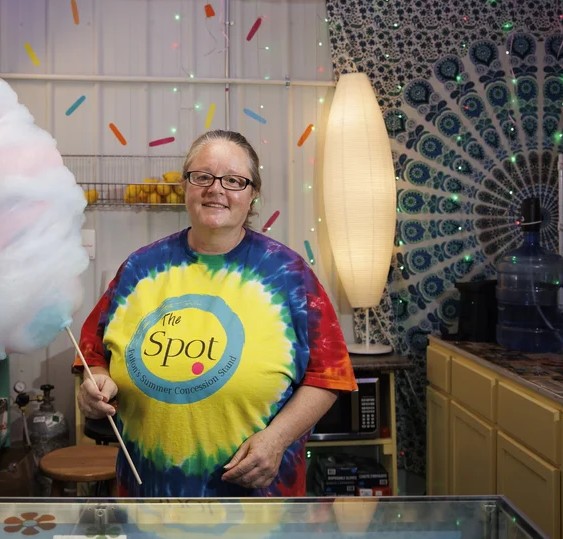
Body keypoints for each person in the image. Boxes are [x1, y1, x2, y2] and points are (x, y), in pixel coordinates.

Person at [74, 130, 356, 497]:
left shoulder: (288, 274)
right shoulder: (139, 269)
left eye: (234, 180)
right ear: (184, 185)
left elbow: (328, 376)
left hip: (257, 505)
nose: (215, 189)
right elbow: (92, 353)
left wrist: (276, 439)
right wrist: (95, 384)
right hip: (149, 499)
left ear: (253, 194)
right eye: (202, 176)